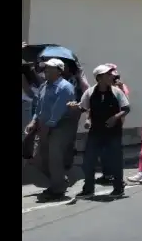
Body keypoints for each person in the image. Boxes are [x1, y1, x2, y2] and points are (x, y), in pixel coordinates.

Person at [73, 64, 131, 198]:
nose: (112, 76)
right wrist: (74, 107)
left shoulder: (117, 92)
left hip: (113, 132)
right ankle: (88, 188)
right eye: (108, 74)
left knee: (115, 160)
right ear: (99, 78)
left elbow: (126, 108)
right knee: (89, 161)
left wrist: (115, 117)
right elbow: (83, 107)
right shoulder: (90, 92)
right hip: (96, 131)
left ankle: (118, 188)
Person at [27, 58, 76, 199]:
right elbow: (39, 106)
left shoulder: (65, 87)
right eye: (46, 67)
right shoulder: (44, 86)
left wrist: (48, 126)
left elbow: (58, 110)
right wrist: (33, 121)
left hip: (60, 125)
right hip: (44, 125)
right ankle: (59, 179)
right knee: (36, 158)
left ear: (59, 71)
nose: (46, 70)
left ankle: (57, 188)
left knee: (54, 157)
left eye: (50, 68)